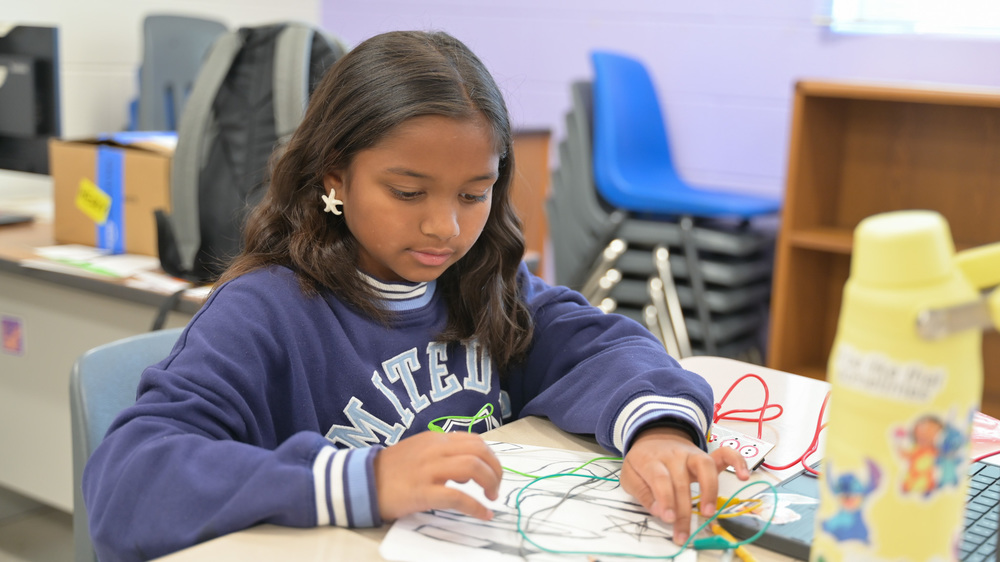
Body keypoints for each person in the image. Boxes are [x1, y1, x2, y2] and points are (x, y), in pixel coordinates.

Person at [83, 30, 750, 561]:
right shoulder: (266, 313)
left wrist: (659, 431)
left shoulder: (484, 284)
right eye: (408, 193)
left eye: (473, 193)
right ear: (335, 177)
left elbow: (601, 345)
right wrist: (364, 481)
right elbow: (128, 484)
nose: (446, 227)